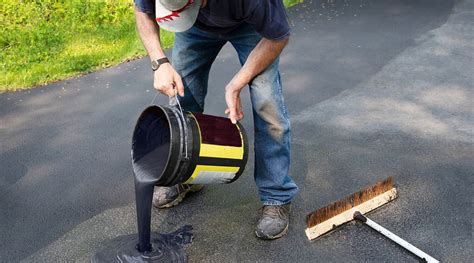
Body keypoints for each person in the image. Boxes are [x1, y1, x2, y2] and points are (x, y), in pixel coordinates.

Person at [134, 0, 298, 240]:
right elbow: (143, 11)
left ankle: (277, 194)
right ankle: (187, 176)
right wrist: (159, 62)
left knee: (267, 103)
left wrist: (237, 83)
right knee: (182, 96)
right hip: (194, 29)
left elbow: (278, 37)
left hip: (249, 25)